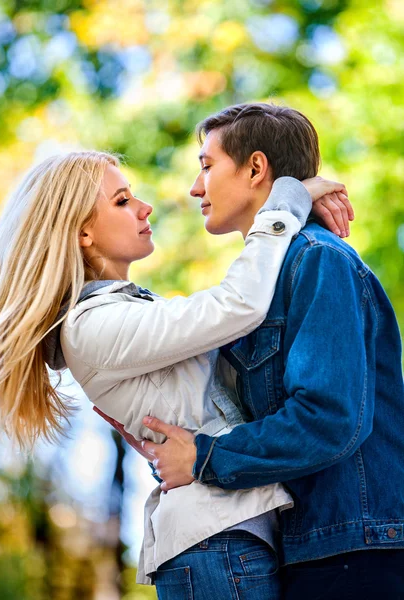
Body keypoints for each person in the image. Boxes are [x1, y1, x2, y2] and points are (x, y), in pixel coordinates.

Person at [0, 144, 350, 598]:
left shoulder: (128, 310)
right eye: (122, 200)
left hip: (234, 534)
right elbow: (237, 305)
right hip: (214, 544)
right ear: (83, 234)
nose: (144, 206)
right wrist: (287, 199)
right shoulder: (92, 326)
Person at [137, 103, 404, 599]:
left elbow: (327, 418)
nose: (196, 188)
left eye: (207, 165)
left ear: (256, 168)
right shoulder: (264, 281)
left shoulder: (318, 261)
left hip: (353, 552)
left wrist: (203, 457)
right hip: (315, 548)